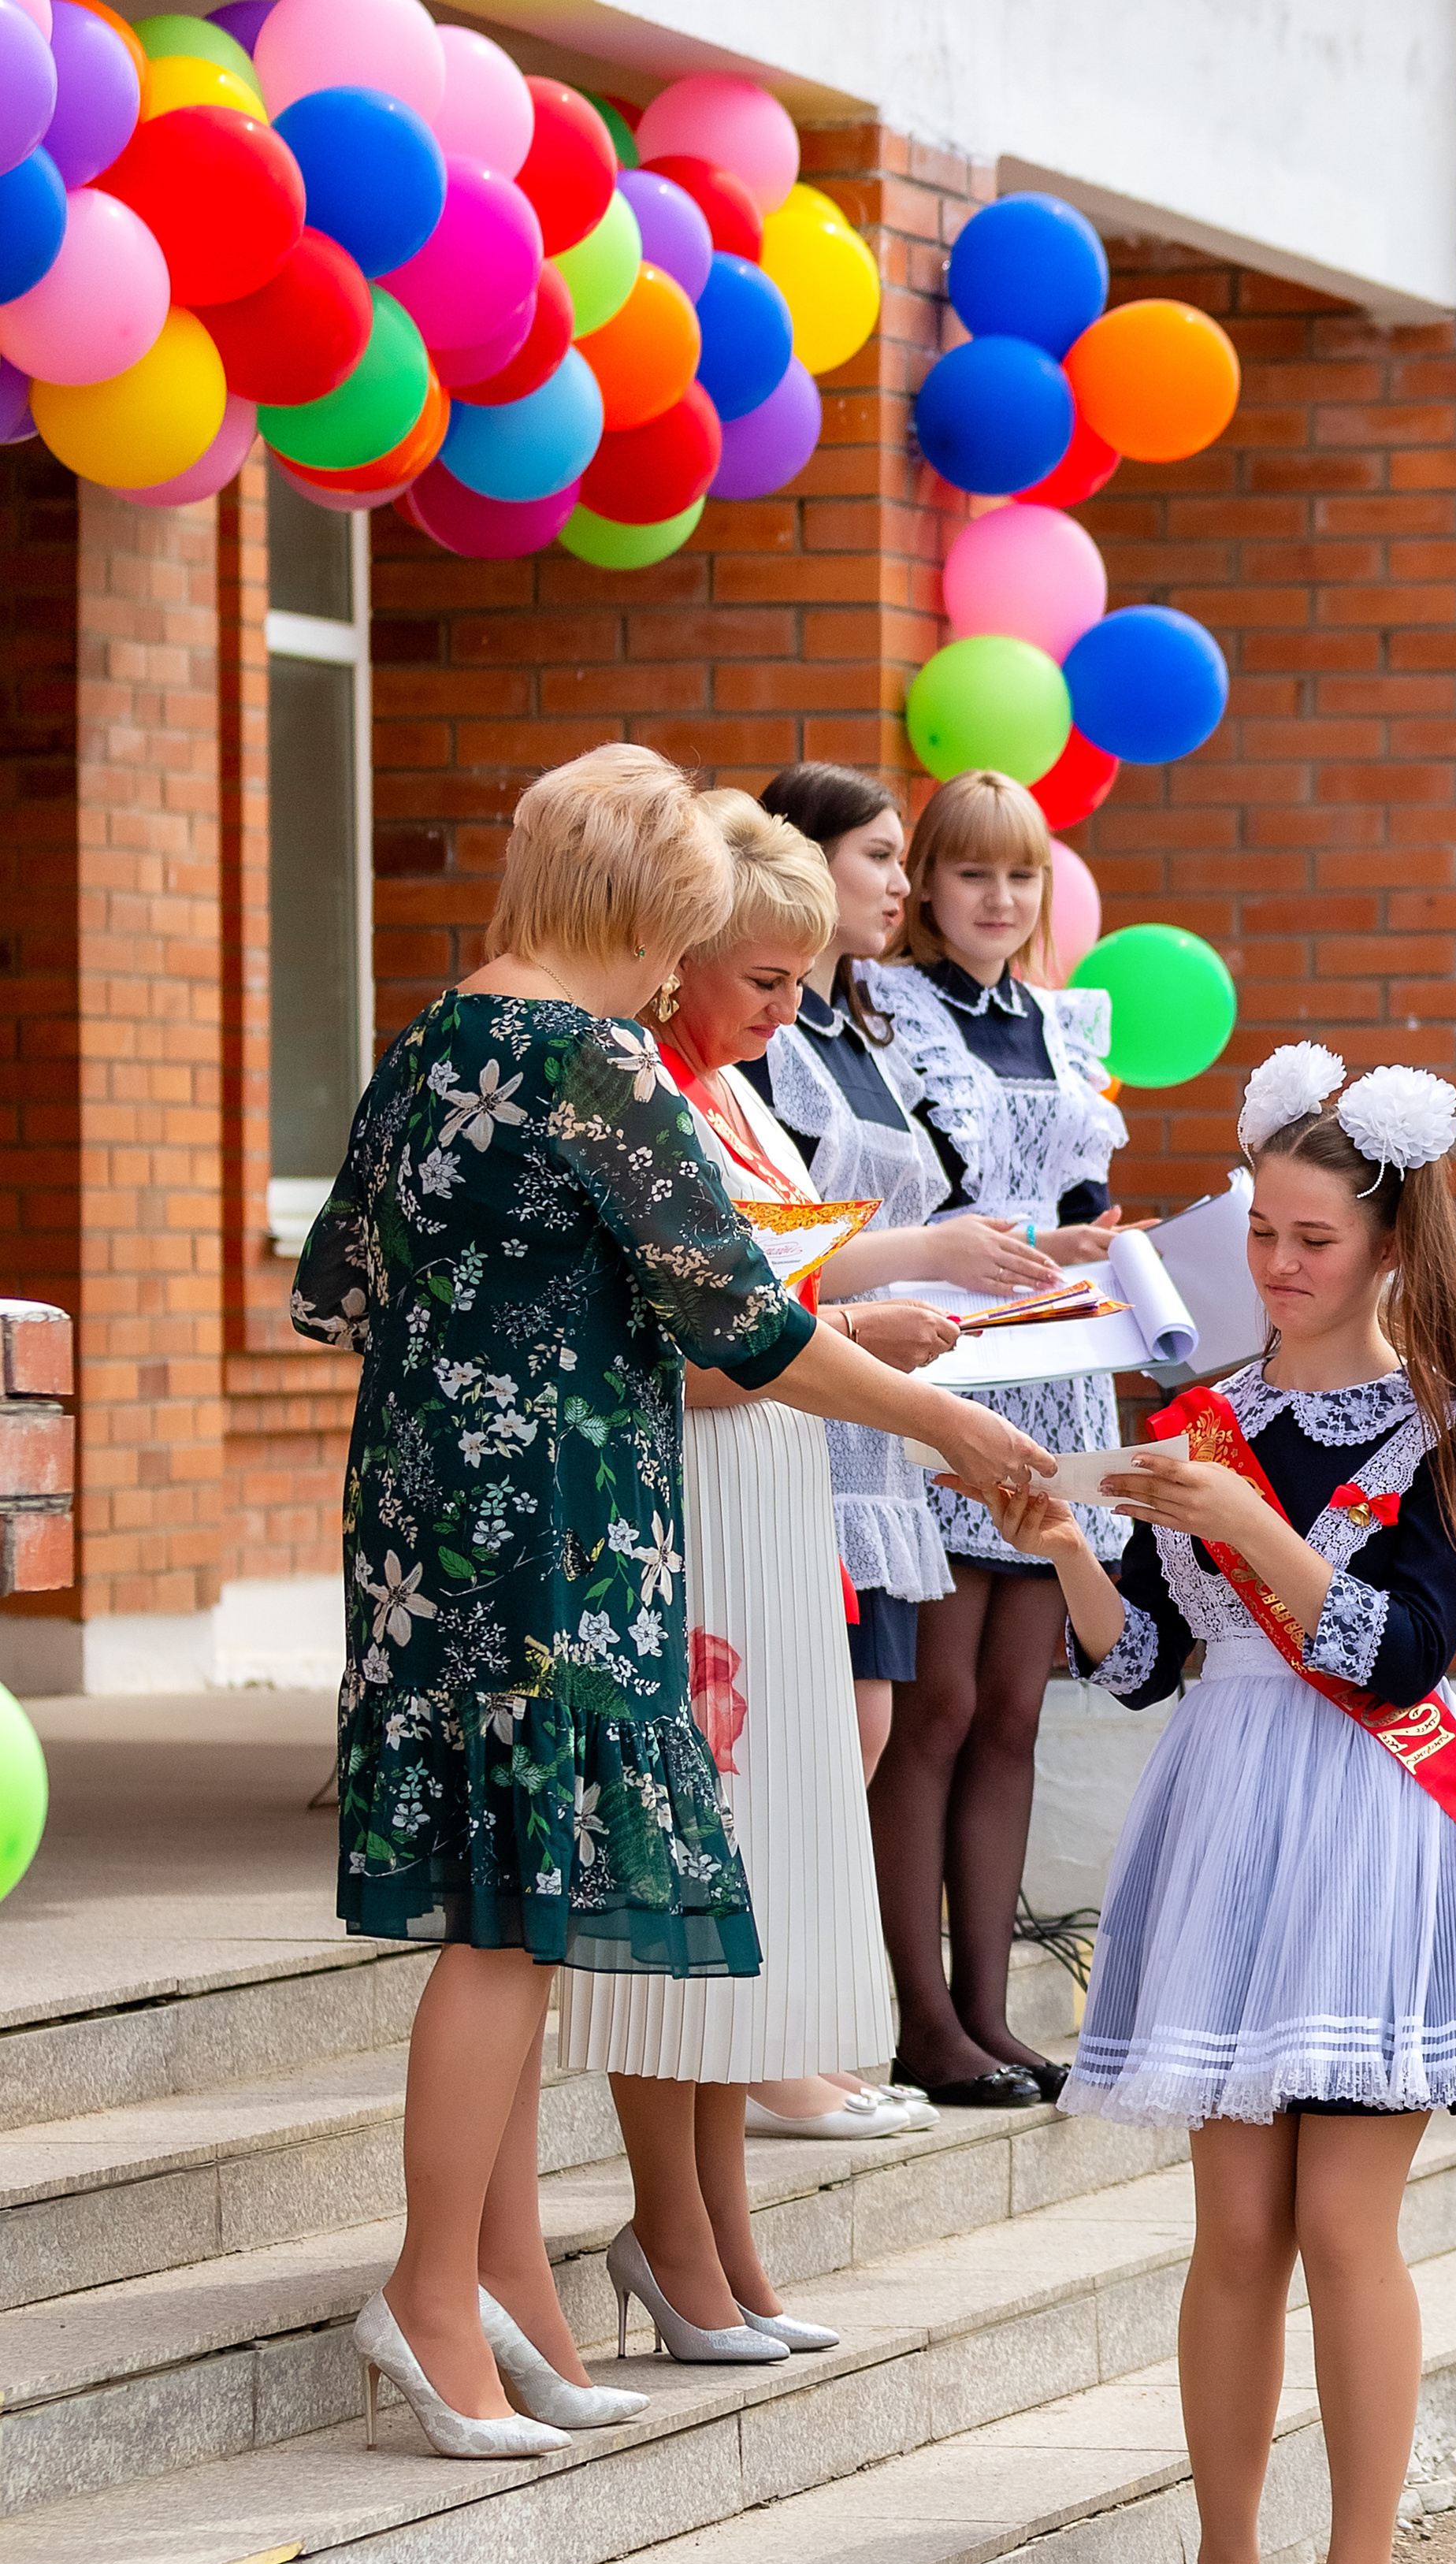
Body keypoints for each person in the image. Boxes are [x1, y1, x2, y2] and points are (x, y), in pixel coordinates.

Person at [292, 749, 1053, 2458]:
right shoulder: (588, 1060)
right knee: (512, 1930)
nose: (677, 973)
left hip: (421, 1530)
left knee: (499, 1918)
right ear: (640, 910)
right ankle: (431, 2293)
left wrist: (518, 1331)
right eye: (683, 935)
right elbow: (751, 1327)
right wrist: (951, 1425)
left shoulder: (428, 1043)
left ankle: (487, 2293)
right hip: (565, 1527)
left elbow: (330, 1293)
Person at [986, 1044, 1456, 2564]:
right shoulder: (1201, 1418)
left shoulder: (1438, 1433)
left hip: (1367, 1824)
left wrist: (1247, 1523)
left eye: (1311, 1238)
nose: (1274, 1263)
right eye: (1260, 1229)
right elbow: (1137, 1674)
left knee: (1343, 2225)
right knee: (1231, 2228)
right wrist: (1062, 1541)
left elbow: (1394, 1659)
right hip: (1221, 1810)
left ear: (1388, 1248)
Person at [554, 790, 963, 2361]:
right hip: (690, 1502)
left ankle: (720, 2231)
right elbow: (680, 1345)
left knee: (751, 1885)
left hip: (765, 1488)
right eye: (765, 980)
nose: (793, 1009)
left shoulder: (724, 1091)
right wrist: (861, 1343)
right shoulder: (645, 1095)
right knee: (681, 1881)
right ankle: (672, 2230)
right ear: (676, 963)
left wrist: (887, 1298)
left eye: (801, 979)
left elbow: (779, 1276)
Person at [741, 760, 1069, 2131]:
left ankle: (893, 2024)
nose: (893, 884)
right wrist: (932, 1256)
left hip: (925, 1384)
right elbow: (775, 1237)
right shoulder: (790, 1036)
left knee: (910, 1717)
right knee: (871, 1720)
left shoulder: (866, 1028)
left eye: (890, 859)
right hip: (837, 1393)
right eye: (887, 858)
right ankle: (848, 2029)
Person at [862, 771, 1126, 2106]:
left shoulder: (1067, 1021)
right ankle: (917, 2015)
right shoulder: (885, 1014)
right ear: (924, 890)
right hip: (955, 1366)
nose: (999, 898)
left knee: (1018, 1707)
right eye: (971, 873)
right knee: (942, 1701)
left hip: (1067, 1374)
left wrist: (1100, 1235)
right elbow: (915, 1194)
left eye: (1020, 875)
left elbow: (1078, 1188)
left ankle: (986, 2011)